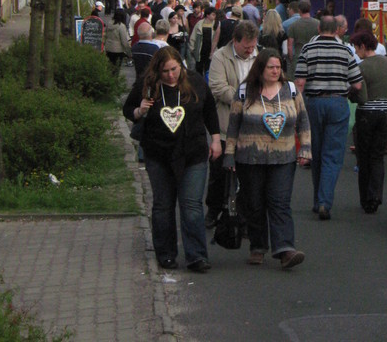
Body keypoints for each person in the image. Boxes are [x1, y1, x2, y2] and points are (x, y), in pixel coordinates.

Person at [123, 46, 221, 273]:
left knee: (191, 206)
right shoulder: (147, 85)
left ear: (181, 65)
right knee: (163, 205)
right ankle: (166, 254)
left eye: (174, 69)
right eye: (165, 71)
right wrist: (140, 111)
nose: (171, 75)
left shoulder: (195, 81)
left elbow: (209, 111)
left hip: (193, 152)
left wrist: (215, 140)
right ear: (157, 70)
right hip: (158, 153)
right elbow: (128, 109)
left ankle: (196, 256)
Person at [223, 49, 311, 269]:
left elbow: (303, 122)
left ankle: (285, 250)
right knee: (254, 203)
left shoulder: (291, 91)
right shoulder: (244, 92)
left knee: (280, 203)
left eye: (278, 67)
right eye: (270, 67)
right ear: (260, 69)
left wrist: (306, 149)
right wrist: (229, 155)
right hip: (250, 158)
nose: (275, 71)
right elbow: (233, 126)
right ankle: (258, 246)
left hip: (284, 158)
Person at [295, 14, 363, 220]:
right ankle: (324, 201)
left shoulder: (307, 49)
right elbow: (357, 83)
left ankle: (318, 200)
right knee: (332, 155)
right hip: (338, 102)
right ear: (336, 31)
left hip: (314, 103)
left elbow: (299, 82)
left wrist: (298, 107)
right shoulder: (345, 50)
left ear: (318, 29)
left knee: (315, 151)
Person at [205, 20, 259, 227]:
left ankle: (244, 215)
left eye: (253, 46)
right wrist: (243, 100)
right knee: (219, 173)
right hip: (227, 124)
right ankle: (214, 209)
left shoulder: (259, 57)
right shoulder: (221, 56)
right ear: (235, 41)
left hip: (253, 128)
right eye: (246, 47)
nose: (250, 50)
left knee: (249, 176)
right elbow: (217, 87)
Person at [351, 31, 387, 214]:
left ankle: (366, 199)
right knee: (377, 155)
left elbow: (359, 94)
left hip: (367, 113)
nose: (355, 50)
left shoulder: (361, 67)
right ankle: (376, 194)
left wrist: (350, 94)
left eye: (356, 47)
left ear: (362, 46)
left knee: (364, 156)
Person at [287, 0, 319, 74]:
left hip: (299, 57)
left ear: (299, 10)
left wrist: (291, 58)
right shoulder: (318, 24)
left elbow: (290, 46)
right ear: (310, 9)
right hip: (314, 56)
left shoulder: (293, 25)